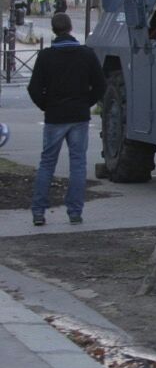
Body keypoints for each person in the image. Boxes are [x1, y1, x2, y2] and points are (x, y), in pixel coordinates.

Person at [28, 13, 106, 225]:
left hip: (55, 116)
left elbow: (34, 88)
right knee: (78, 164)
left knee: (47, 164)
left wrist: (46, 105)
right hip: (79, 115)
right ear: (71, 28)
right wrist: (86, 102)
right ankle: (74, 212)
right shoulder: (86, 54)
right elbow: (100, 85)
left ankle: (39, 212)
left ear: (53, 30)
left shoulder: (46, 56)